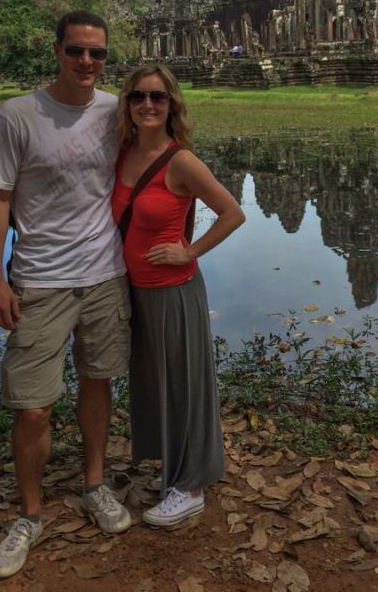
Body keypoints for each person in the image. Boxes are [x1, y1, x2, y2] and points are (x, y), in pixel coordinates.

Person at [0, 10, 132, 579]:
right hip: (39, 278)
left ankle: (94, 483)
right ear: (56, 52)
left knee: (97, 382)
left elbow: (158, 161)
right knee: (35, 405)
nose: (87, 62)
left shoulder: (119, 111)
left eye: (97, 54)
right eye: (76, 51)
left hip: (104, 274)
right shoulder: (17, 115)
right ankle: (30, 515)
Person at [112, 63, 245, 526]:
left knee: (185, 385)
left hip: (174, 292)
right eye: (138, 97)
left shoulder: (181, 160)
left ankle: (191, 486)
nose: (147, 105)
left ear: (172, 106)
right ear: (127, 104)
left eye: (157, 97)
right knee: (154, 382)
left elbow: (232, 213)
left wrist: (189, 251)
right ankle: (169, 467)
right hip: (135, 291)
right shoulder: (123, 151)